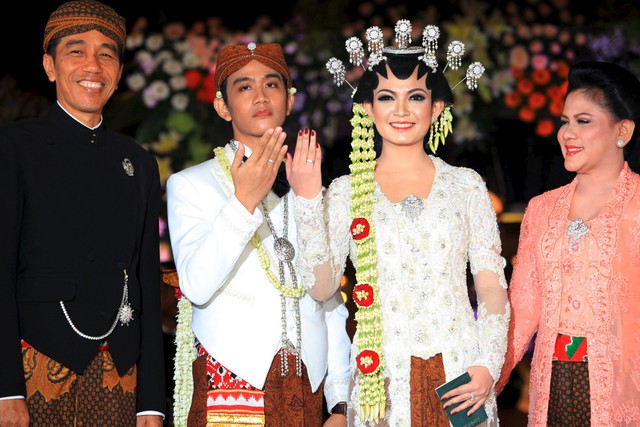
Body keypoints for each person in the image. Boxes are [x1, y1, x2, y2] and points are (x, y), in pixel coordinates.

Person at [290, 20, 510, 426]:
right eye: (387, 97)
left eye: (416, 97)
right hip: (381, 380)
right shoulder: (344, 191)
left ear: (437, 107)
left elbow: (492, 287)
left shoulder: (465, 186)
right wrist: (307, 200)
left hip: (462, 373)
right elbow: (322, 289)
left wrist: (488, 364)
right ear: (368, 108)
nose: (402, 111)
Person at [0, 1, 166, 426]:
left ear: (119, 72)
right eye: (76, 50)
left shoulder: (140, 163)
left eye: (107, 53)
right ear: (49, 65)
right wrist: (6, 388)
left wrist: (151, 401)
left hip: (120, 375)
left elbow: (146, 281)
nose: (93, 64)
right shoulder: (15, 148)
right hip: (35, 362)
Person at [166, 42, 349, 426]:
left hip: (307, 389)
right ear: (222, 105)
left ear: (289, 100)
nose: (261, 96)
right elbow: (196, 285)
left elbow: (329, 300)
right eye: (244, 87)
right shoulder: (192, 184)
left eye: (272, 84)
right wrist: (243, 202)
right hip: (231, 381)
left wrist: (341, 401)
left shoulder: (312, 185)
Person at [496, 61, 640, 426]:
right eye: (565, 121)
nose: (567, 134)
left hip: (625, 393)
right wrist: (487, 375)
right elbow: (521, 311)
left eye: (584, 121)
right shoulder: (542, 210)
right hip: (554, 386)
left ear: (622, 130)